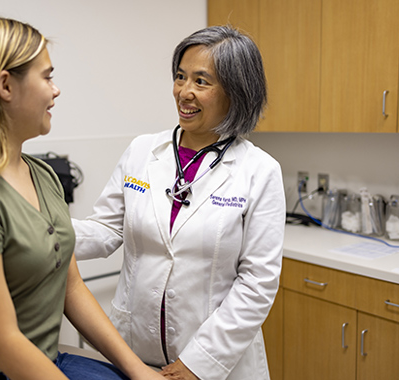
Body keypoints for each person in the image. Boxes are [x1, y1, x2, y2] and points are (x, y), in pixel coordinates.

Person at [0, 16, 164, 380]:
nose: (56, 90)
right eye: (47, 77)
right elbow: (1, 342)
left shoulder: (43, 175)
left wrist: (138, 370)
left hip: (47, 361)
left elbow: (71, 287)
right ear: (5, 86)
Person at [73, 25, 286, 380]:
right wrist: (40, 231)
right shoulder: (143, 151)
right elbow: (106, 229)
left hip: (215, 362)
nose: (184, 92)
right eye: (180, 77)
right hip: (135, 354)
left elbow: (257, 282)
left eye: (201, 82)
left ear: (236, 92)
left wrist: (199, 363)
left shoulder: (259, 171)